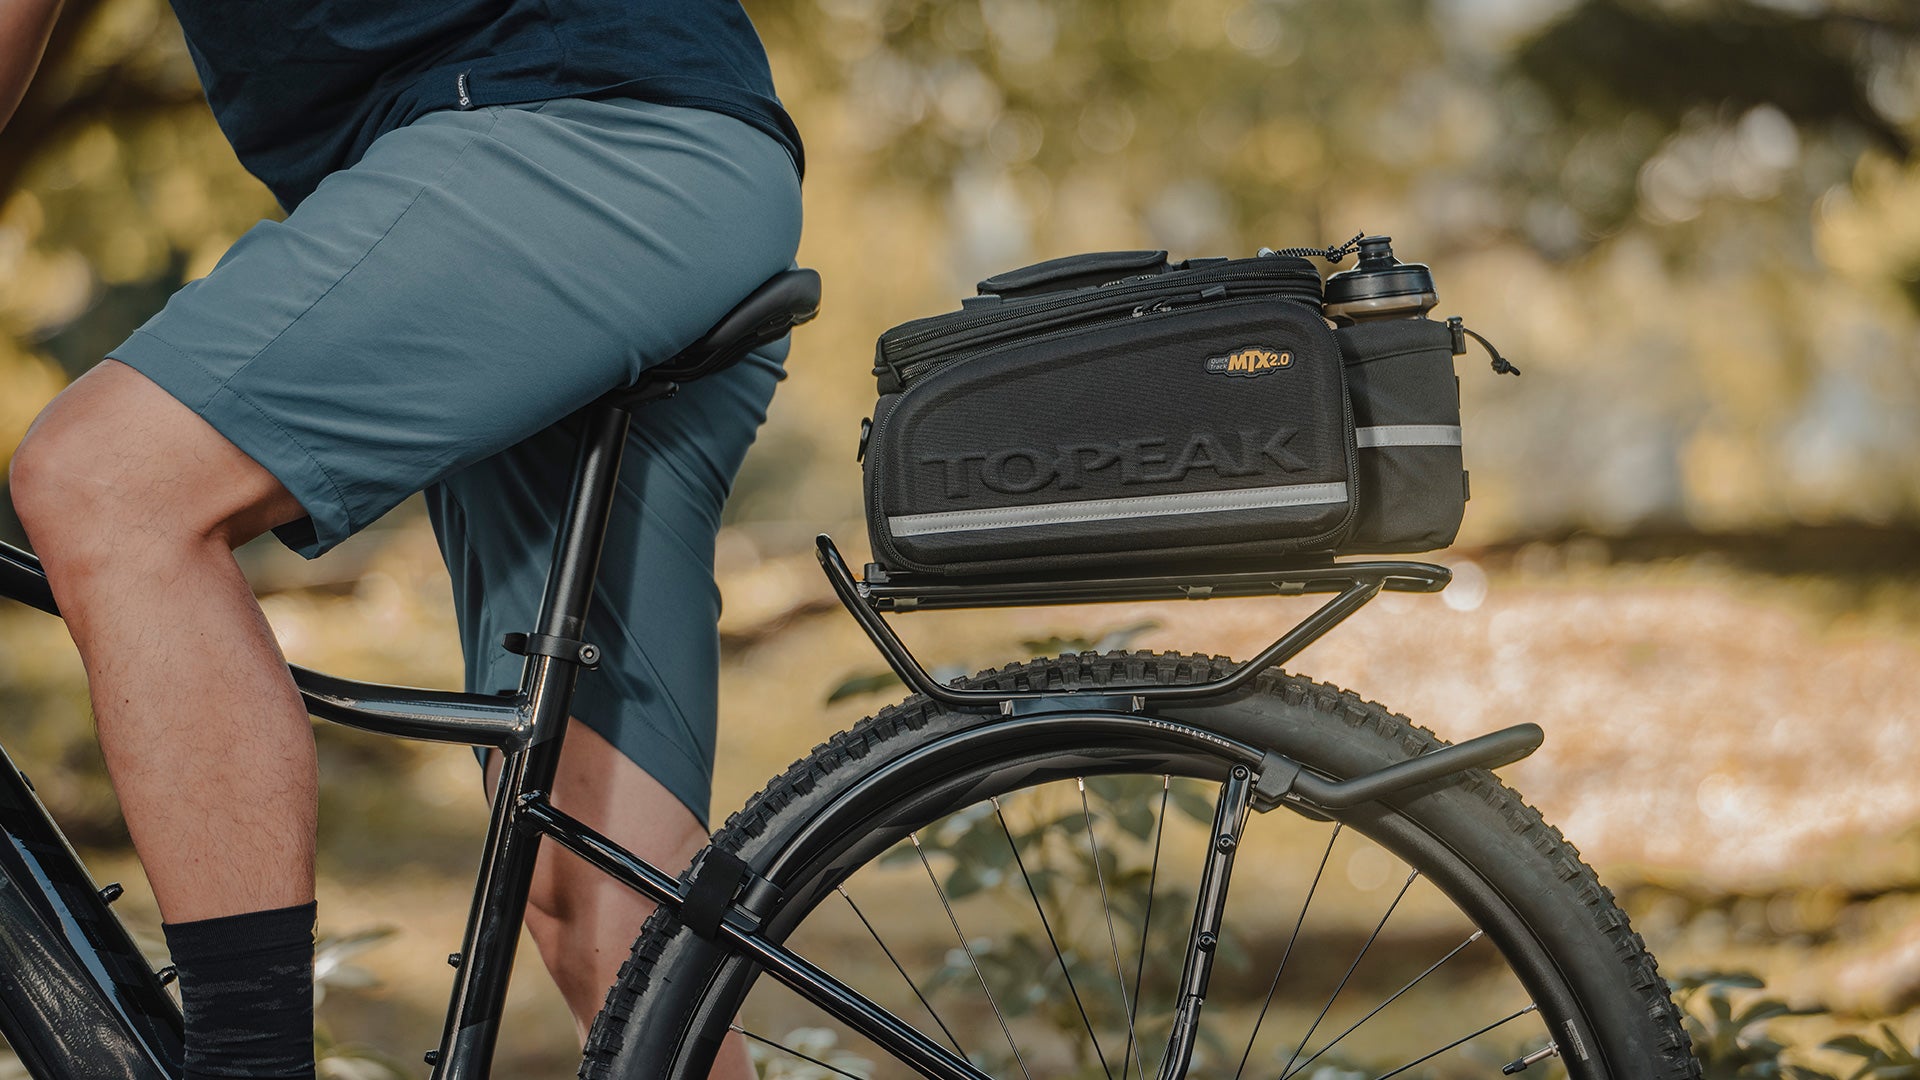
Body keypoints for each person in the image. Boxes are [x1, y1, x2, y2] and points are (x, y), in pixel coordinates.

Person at [1, 0, 802, 1076]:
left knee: (108, 480)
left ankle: (248, 1062)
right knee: (592, 887)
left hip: (581, 138)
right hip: (640, 161)